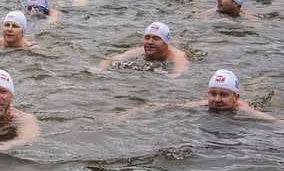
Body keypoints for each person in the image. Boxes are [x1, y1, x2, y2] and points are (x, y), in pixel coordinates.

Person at [111, 69, 282, 122]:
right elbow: (161, 106)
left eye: (223, 95)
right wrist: (126, 113)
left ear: (236, 97)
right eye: (212, 94)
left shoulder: (243, 108)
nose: (216, 99)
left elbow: (272, 120)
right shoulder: (203, 104)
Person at [93, 22, 190, 77]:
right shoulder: (139, 51)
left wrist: (175, 75)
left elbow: (181, 69)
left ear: (166, 42)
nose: (150, 42)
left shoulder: (178, 56)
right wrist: (98, 69)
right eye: (147, 38)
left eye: (156, 38)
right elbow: (112, 60)